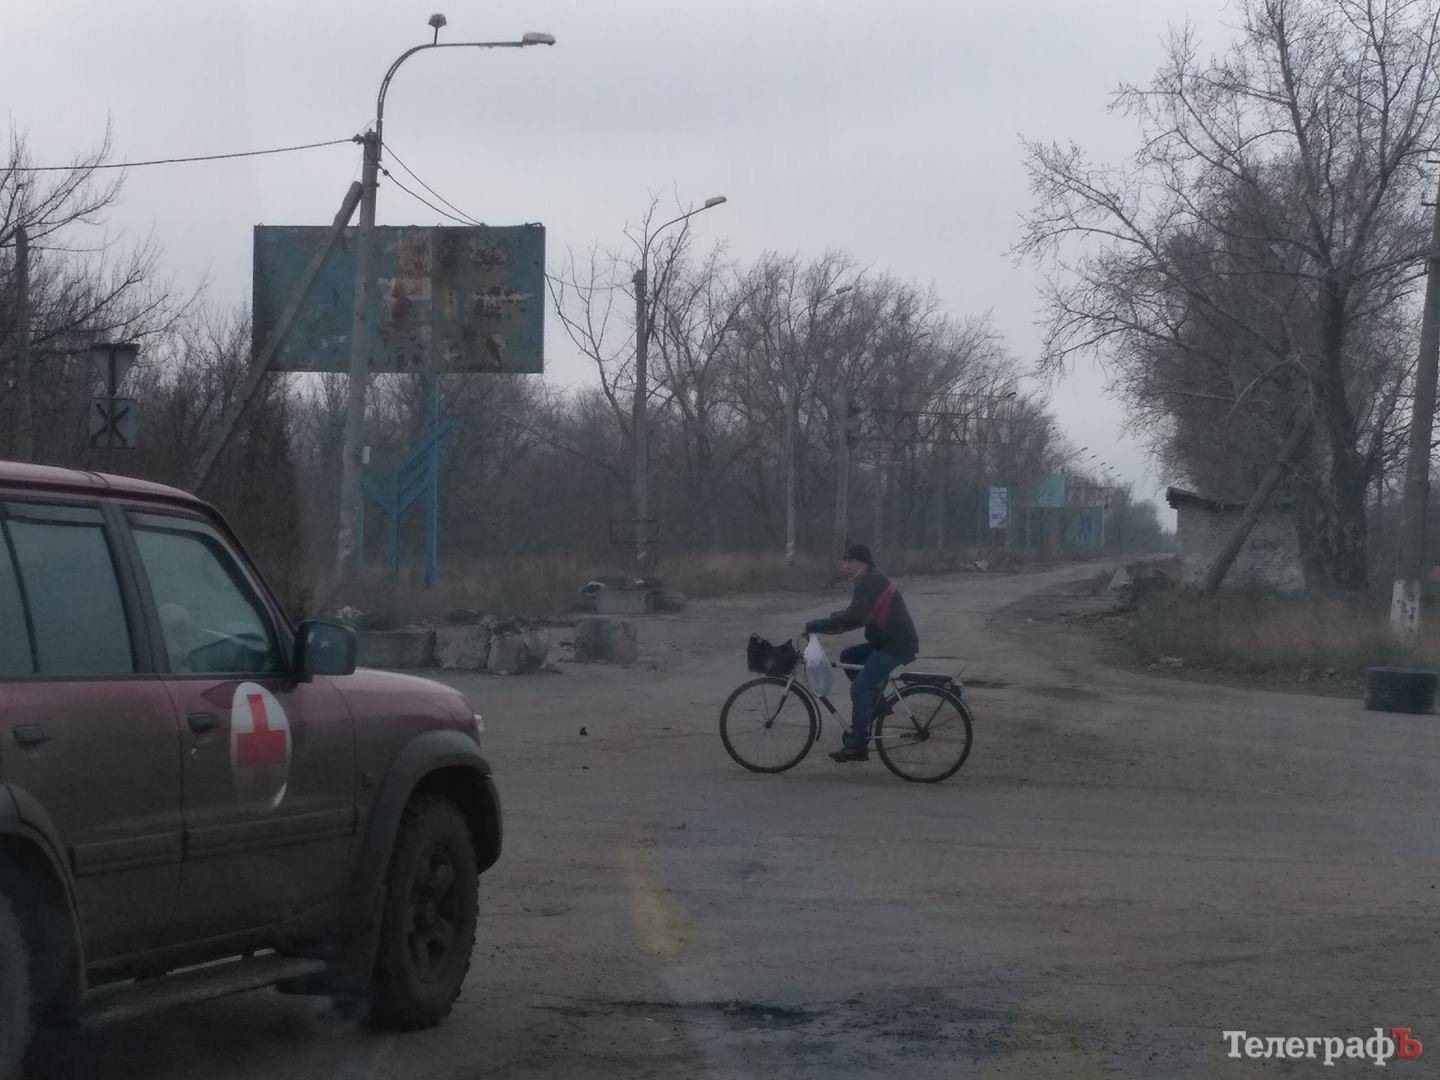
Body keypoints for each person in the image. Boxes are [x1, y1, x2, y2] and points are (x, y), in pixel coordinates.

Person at [804, 543, 919, 763]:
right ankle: (877, 704)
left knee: (860, 688)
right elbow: (858, 613)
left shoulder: (870, 580)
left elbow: (856, 617)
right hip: (887, 641)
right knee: (849, 657)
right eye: (844, 561)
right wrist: (830, 621)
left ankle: (857, 745)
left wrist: (820, 625)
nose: (844, 565)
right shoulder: (869, 579)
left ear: (861, 562)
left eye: (848, 560)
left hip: (895, 645)